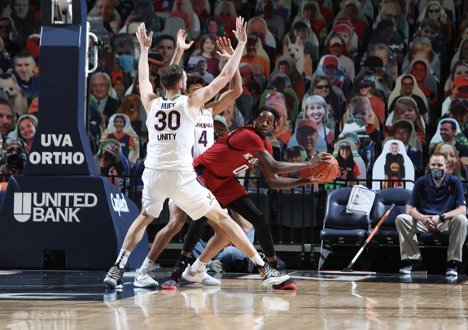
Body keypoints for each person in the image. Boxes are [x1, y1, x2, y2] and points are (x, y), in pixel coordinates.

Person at [104, 19, 291, 290]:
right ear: (181, 83)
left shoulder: (150, 101)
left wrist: (144, 50)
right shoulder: (192, 103)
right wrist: (240, 44)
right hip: (183, 175)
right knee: (222, 220)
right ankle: (264, 270)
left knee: (145, 217)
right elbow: (226, 77)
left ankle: (117, 269)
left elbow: (144, 79)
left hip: (154, 173)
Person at [130, 34, 247, 289]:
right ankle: (151, 267)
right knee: (176, 223)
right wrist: (180, 53)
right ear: (184, 90)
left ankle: (198, 267)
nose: (196, 94)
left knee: (225, 226)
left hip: (208, 173)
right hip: (184, 172)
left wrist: (233, 61)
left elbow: (235, 89)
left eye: (198, 92)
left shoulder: (209, 109)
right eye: (191, 90)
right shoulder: (182, 106)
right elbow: (169, 81)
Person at [177, 106, 332, 291]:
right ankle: (179, 269)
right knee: (201, 216)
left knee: (258, 218)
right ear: (254, 120)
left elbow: (273, 182)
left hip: (226, 181)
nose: (265, 123)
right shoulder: (248, 135)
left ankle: (273, 268)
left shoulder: (266, 146)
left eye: (269, 122)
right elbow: (274, 166)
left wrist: (307, 179)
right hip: (205, 172)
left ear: (274, 125)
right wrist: (309, 163)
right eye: (261, 119)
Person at [395, 153, 468, 277]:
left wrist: (441, 217)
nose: (436, 168)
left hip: (445, 221)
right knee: (401, 219)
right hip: (425, 221)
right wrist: (422, 218)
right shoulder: (421, 182)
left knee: (462, 219)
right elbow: (410, 209)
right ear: (429, 165)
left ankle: (452, 262)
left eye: (439, 165)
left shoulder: (455, 182)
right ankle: (415, 261)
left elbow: (462, 209)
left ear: (446, 167)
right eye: (433, 165)